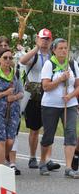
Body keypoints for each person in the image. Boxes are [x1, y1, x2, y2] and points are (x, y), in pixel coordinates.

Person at [19, 28, 60, 171]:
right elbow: (22, 61)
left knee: (48, 129)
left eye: (47, 39)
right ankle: (32, 157)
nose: (45, 41)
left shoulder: (51, 56)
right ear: (37, 39)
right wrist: (36, 47)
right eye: (43, 38)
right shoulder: (34, 55)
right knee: (34, 129)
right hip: (33, 96)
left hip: (48, 95)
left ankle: (48, 158)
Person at [39, 38, 79, 178]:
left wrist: (70, 96)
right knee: (48, 135)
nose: (63, 50)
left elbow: (77, 86)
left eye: (65, 48)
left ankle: (68, 168)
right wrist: (60, 79)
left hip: (70, 104)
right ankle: (43, 162)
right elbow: (46, 87)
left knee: (71, 133)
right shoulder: (49, 64)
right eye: (60, 48)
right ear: (54, 50)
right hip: (50, 105)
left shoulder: (72, 64)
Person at [0, 48, 23, 167]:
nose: (8, 60)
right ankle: (0, 168)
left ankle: (0, 158)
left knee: (10, 140)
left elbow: (21, 92)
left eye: (10, 58)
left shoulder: (16, 73)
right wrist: (4, 94)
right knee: (0, 139)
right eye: (5, 57)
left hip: (13, 111)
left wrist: (15, 97)